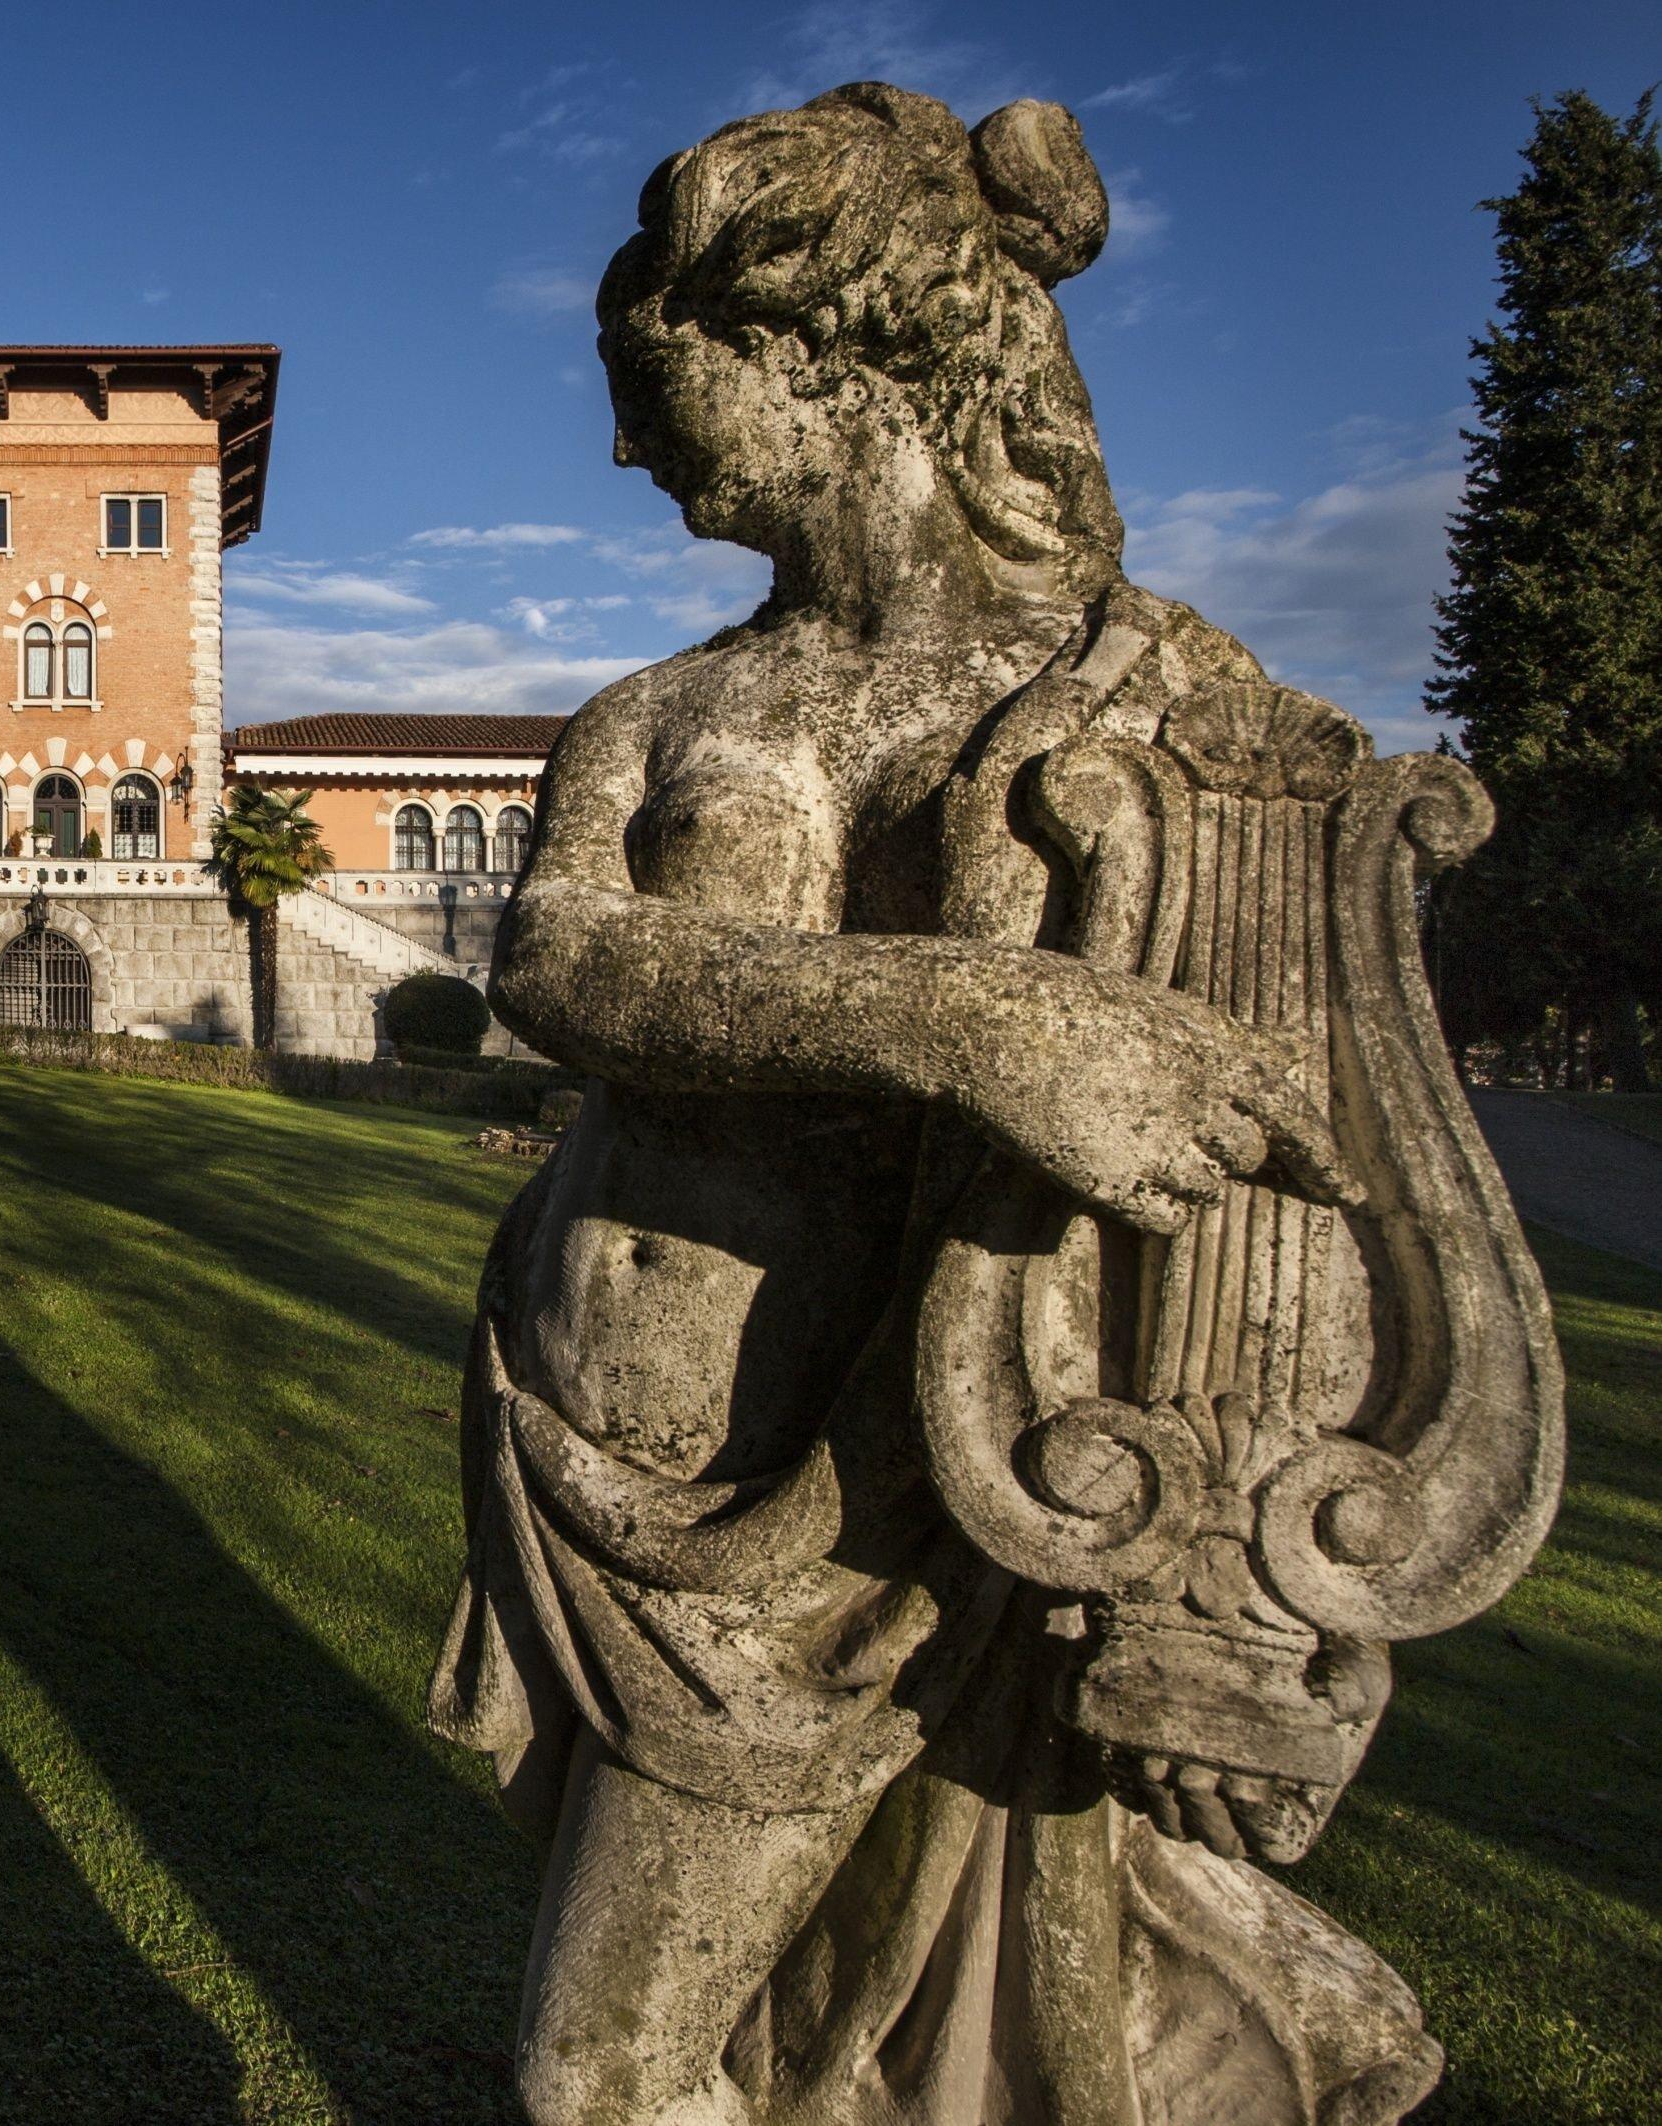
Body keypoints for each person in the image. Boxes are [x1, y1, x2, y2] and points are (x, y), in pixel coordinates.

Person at [431, 83, 1450, 2126]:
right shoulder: (656, 708)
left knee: (604, 2075)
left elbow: (1305, 1144)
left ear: (825, 353)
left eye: (659, 381)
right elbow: (553, 962)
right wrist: (962, 1016)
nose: (629, 445)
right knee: (755, 2040)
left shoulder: (1152, 710)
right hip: (601, 1462)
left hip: (860, 1510)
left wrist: (1259, 1582)